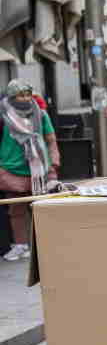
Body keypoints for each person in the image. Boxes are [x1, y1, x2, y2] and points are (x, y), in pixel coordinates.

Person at [0, 81, 59, 261]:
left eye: (28, 94)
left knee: (40, 209)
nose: (26, 98)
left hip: (39, 171)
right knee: (16, 210)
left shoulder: (41, 115)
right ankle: (20, 245)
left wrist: (54, 163)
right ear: (11, 97)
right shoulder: (3, 116)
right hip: (12, 170)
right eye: (21, 95)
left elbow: (50, 140)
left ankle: (45, 243)